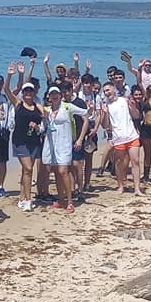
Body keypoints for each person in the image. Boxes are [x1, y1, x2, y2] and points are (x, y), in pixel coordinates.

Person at [41, 85, 88, 213]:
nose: (54, 96)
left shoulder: (67, 107)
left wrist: (80, 138)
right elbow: (43, 128)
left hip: (65, 145)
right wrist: (36, 126)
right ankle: (61, 199)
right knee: (56, 172)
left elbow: (85, 113)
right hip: (51, 146)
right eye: (52, 94)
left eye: (56, 93)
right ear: (49, 97)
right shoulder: (46, 110)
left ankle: (70, 202)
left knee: (63, 171)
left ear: (60, 95)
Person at [4, 61, 44, 212]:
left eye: (30, 91)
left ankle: (21, 198)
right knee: (28, 168)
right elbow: (6, 90)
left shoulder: (37, 106)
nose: (28, 93)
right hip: (20, 141)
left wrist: (38, 127)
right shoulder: (18, 104)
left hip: (34, 141)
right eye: (26, 91)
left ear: (34, 93)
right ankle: (28, 199)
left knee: (27, 171)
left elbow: (47, 118)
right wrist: (10, 75)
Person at [100, 82, 144, 196]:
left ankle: (137, 188)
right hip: (118, 138)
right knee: (119, 163)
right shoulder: (106, 105)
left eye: (108, 90)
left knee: (135, 161)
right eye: (104, 91)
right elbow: (105, 125)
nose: (106, 92)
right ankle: (120, 186)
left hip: (132, 136)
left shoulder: (124, 100)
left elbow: (137, 116)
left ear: (114, 89)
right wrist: (105, 113)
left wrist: (133, 107)